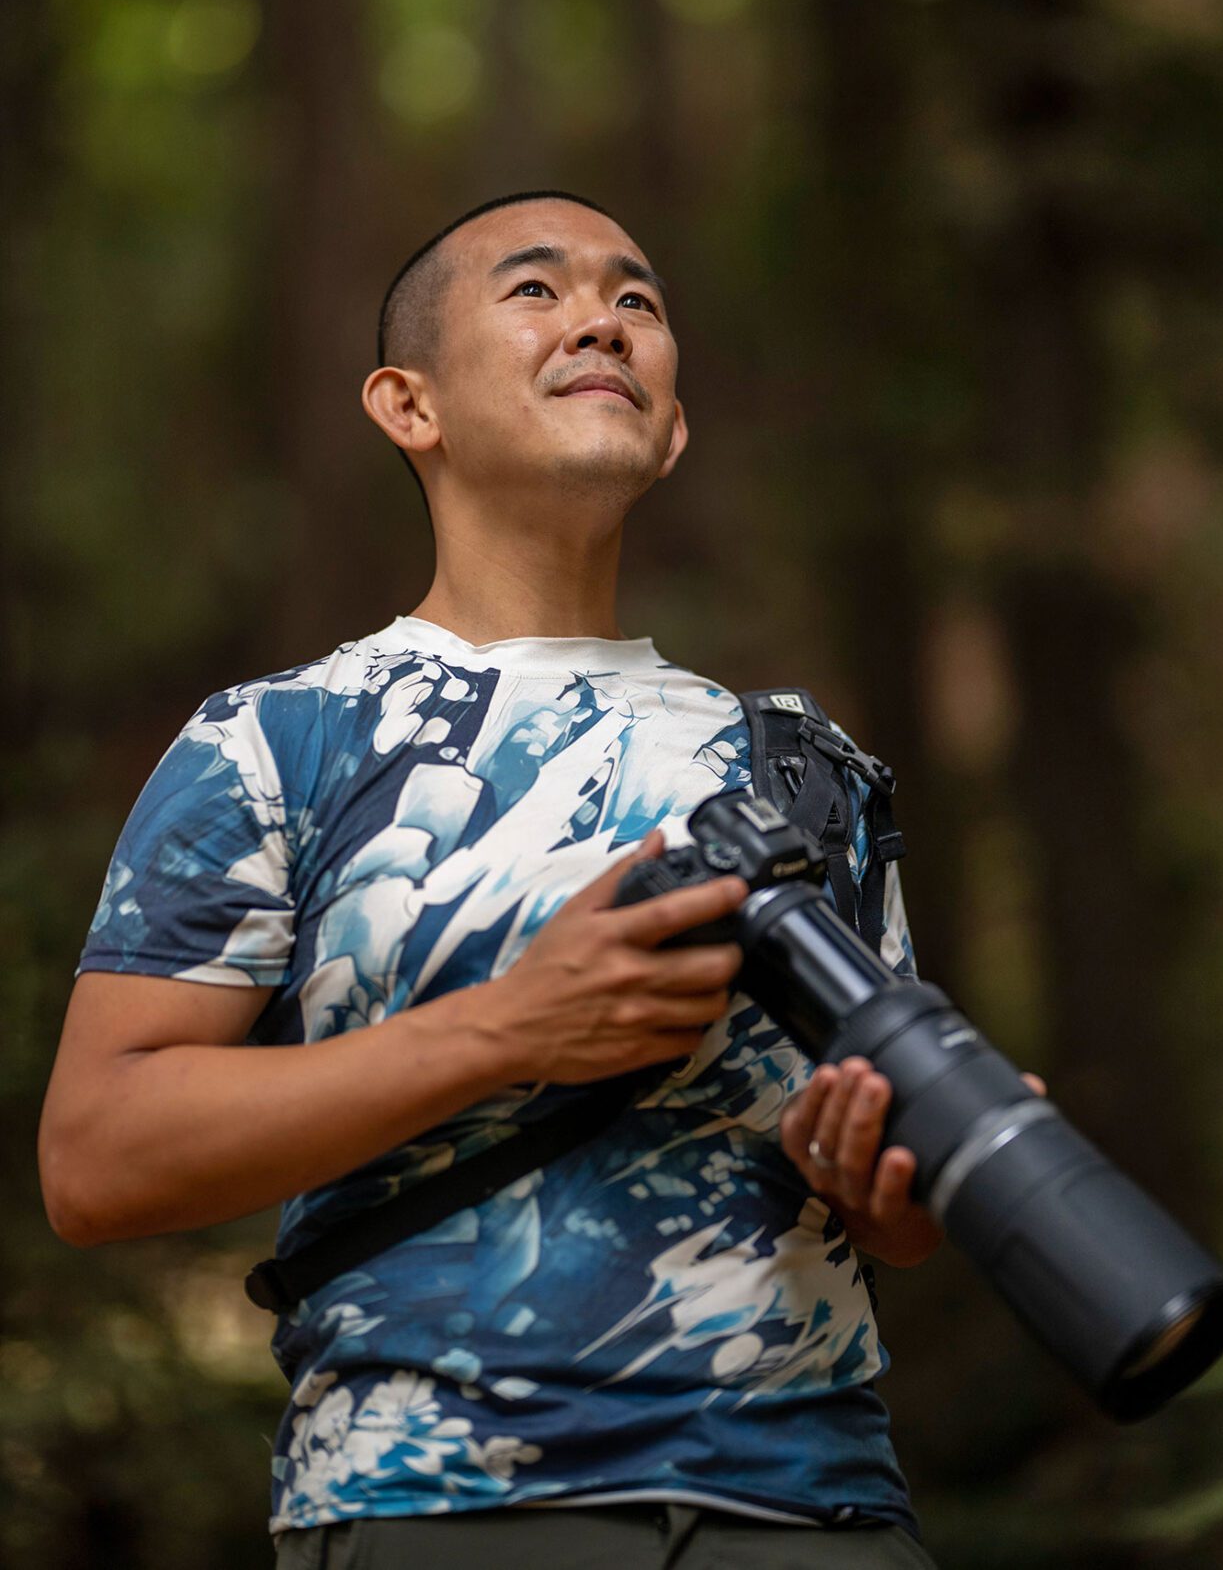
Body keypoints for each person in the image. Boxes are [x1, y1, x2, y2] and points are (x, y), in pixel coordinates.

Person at [40, 191, 945, 1569]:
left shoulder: (804, 769)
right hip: (436, 1502)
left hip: (820, 1505)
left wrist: (891, 1184)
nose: (603, 322)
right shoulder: (278, 739)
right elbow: (95, 1159)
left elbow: (894, 1221)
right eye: (537, 290)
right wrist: (511, 1027)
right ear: (409, 405)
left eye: (637, 302)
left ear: (673, 428)